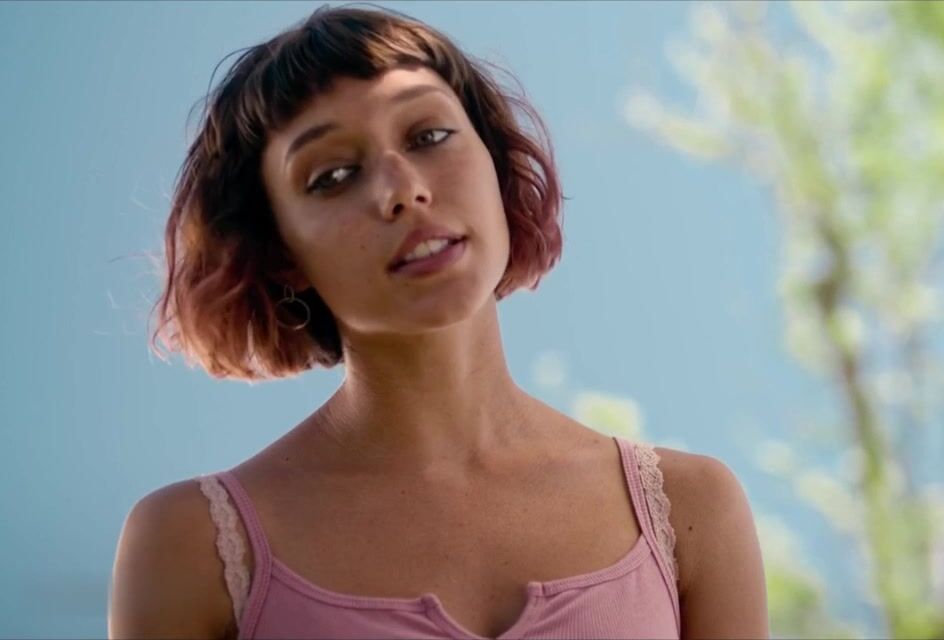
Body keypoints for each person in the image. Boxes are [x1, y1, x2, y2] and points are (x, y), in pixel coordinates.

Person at [107, 3, 768, 639]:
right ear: (281, 254)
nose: (403, 190)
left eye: (428, 137)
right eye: (332, 175)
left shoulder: (690, 512)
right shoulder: (191, 548)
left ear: (496, 165)